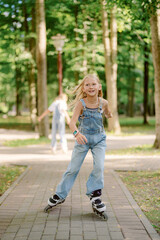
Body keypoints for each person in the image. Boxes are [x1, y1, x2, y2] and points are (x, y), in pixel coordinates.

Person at [44, 74, 113, 219]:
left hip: (99, 139)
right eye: (87, 85)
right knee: (72, 169)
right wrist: (77, 134)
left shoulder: (104, 102)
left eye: (93, 84)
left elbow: (107, 113)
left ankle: (95, 195)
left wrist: (109, 114)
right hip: (82, 139)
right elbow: (72, 123)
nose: (90, 87)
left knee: (99, 166)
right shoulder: (81, 103)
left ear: (99, 87)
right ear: (83, 88)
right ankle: (60, 194)